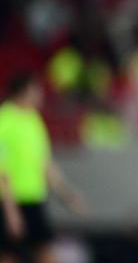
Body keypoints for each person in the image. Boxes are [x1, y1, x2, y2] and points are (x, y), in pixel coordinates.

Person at [0, 73, 87, 263]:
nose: (40, 95)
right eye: (36, 90)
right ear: (23, 92)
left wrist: (67, 194)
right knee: (8, 255)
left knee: (45, 251)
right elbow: (2, 170)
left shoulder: (34, 120)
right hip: (10, 200)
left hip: (34, 197)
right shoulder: (4, 121)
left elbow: (45, 163)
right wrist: (11, 211)